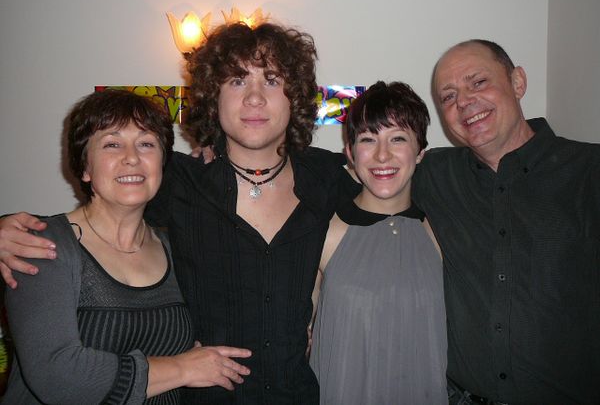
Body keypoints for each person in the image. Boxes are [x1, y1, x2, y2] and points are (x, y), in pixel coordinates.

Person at [0, 22, 350, 404]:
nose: (253, 98)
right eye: (236, 81)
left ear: (294, 96)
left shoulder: (328, 177)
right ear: (213, 98)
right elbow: (104, 201)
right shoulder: (178, 181)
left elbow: (395, 200)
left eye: (271, 80)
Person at [2, 89, 251, 404]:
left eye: (146, 144)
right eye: (112, 144)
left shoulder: (177, 249)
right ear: (85, 168)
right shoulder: (42, 245)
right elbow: (57, 375)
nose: (132, 157)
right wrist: (181, 369)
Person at [414, 39, 600, 404]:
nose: (464, 101)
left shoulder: (588, 172)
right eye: (448, 97)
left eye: (478, 82)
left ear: (518, 82)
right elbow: (362, 172)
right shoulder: (435, 173)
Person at [309, 81, 447, 404]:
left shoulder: (440, 232)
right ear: (350, 153)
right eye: (368, 140)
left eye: (397, 138)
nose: (382, 155)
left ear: (420, 151)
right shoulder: (325, 232)